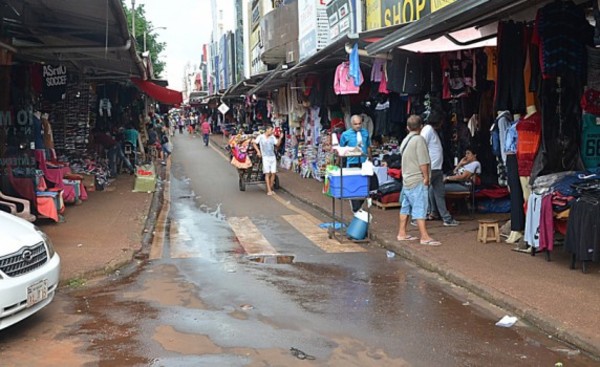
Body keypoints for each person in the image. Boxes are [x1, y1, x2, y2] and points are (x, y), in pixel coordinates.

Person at [397, 115, 441, 246]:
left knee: (405, 207)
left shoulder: (405, 140)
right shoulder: (419, 140)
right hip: (417, 178)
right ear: (421, 127)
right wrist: (426, 177)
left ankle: (402, 233)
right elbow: (423, 161)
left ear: (407, 127)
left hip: (407, 179)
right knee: (420, 207)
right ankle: (424, 236)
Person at [421, 110, 459, 226]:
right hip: (431, 167)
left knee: (439, 193)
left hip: (436, 168)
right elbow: (421, 146)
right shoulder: (427, 130)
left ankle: (444, 217)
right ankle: (421, 216)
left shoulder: (432, 131)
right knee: (425, 192)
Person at [340, 115, 372, 212]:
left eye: (359, 123)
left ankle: (359, 203)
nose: (358, 126)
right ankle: (355, 207)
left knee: (364, 185)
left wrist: (370, 158)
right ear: (351, 124)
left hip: (363, 162)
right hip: (352, 162)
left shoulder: (365, 133)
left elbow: (368, 146)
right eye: (355, 124)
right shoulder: (345, 135)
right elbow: (341, 149)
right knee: (354, 184)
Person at [253, 125, 282, 196]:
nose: (272, 131)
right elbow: (254, 143)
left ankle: (271, 187)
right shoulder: (260, 137)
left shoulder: (272, 137)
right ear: (267, 130)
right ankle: (269, 190)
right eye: (271, 130)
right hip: (265, 157)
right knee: (267, 173)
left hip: (272, 157)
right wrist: (258, 151)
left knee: (273, 173)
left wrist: (280, 138)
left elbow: (277, 144)